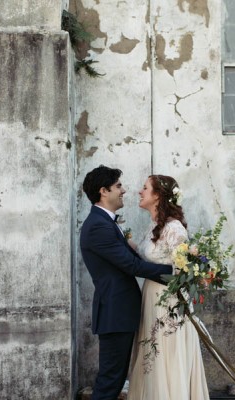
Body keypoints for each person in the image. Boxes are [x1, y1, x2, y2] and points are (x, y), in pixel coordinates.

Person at [80, 165, 173, 400]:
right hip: (115, 312)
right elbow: (132, 266)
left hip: (120, 312)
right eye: (118, 186)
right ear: (104, 191)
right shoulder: (98, 226)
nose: (124, 190)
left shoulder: (106, 222)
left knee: (115, 378)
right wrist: (176, 274)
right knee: (110, 380)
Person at [127, 175, 210, 400]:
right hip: (152, 298)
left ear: (157, 196)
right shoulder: (155, 225)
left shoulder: (174, 228)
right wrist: (124, 241)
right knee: (152, 355)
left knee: (165, 354)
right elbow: (148, 258)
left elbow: (184, 271)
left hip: (168, 302)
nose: (139, 191)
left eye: (145, 188)